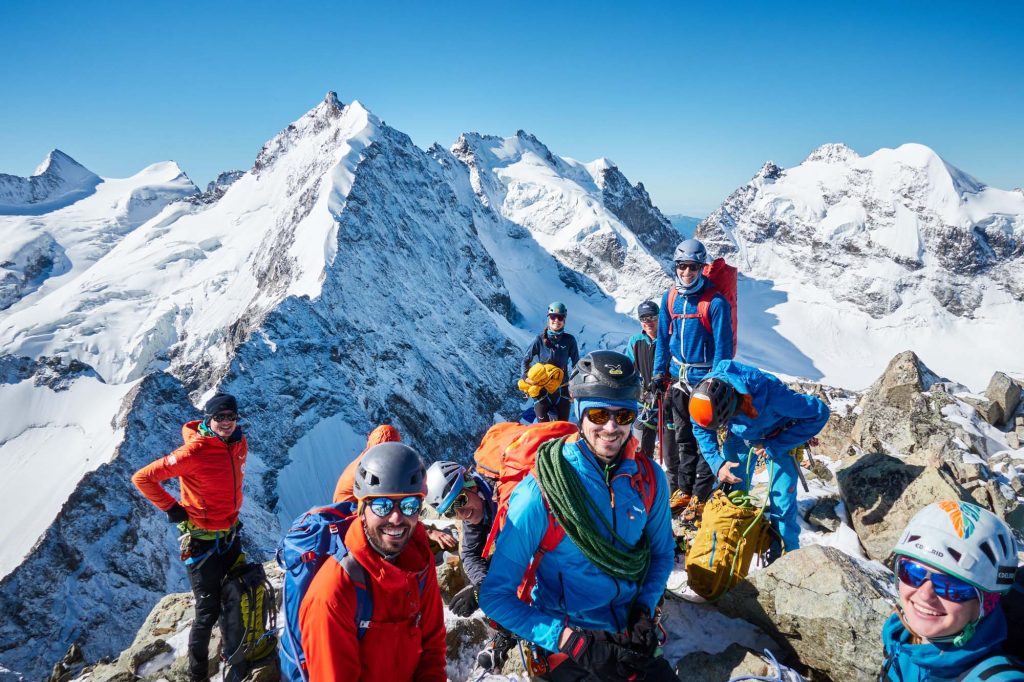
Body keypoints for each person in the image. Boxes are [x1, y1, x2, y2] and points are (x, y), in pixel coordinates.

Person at [480, 350, 679, 682]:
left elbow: (661, 553)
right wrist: (567, 640)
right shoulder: (540, 493)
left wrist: (644, 608)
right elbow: (495, 596)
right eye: (599, 414)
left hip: (629, 633)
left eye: (624, 416)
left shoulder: (649, 480)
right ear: (580, 413)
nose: (612, 428)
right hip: (567, 646)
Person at [299, 442, 446, 681]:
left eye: (409, 505)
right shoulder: (333, 594)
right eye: (382, 505)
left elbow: (432, 648)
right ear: (361, 508)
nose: (397, 518)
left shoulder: (419, 561)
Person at [131, 393, 247, 682]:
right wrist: (172, 508)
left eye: (230, 417)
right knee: (207, 611)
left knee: (237, 595)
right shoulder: (194, 452)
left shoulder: (239, 443)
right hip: (201, 541)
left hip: (230, 535)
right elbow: (143, 477)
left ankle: (234, 653)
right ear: (208, 419)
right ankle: (197, 676)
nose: (226, 422)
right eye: (219, 417)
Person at [689, 360, 829, 556]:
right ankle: (731, 549)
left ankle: (786, 557)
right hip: (739, 436)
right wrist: (717, 463)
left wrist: (776, 445)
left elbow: (820, 412)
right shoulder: (703, 396)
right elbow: (699, 428)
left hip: (778, 437)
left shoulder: (772, 395)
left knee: (782, 504)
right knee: (733, 495)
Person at [881, 500, 1022, 681]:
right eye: (912, 572)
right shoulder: (899, 636)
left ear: (986, 603)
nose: (925, 594)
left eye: (952, 586)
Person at [651, 239, 731, 521]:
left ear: (701, 268)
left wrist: (717, 382)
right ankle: (684, 490)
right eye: (682, 266)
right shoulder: (670, 298)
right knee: (683, 438)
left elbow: (723, 348)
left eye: (693, 267)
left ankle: (700, 495)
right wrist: (658, 374)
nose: (687, 272)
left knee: (704, 439)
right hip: (677, 380)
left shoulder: (716, 303)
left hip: (704, 380)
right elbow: (662, 338)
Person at [425, 461, 514, 671]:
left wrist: (482, 591)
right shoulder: (476, 506)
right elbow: (470, 554)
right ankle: (509, 629)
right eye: (451, 512)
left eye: (461, 500)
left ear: (471, 483)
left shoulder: (507, 495)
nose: (462, 514)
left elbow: (521, 553)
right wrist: (483, 586)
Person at [522, 301, 580, 422]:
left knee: (562, 430)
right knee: (544, 431)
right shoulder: (539, 339)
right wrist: (526, 378)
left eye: (560, 317)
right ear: (548, 319)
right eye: (553, 317)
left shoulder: (569, 340)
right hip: (542, 391)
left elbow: (577, 365)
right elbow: (525, 360)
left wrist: (575, 388)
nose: (556, 321)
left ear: (564, 320)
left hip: (563, 390)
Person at [624, 300, 660, 460]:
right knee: (640, 451)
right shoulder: (635, 341)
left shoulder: (668, 341)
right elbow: (628, 369)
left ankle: (671, 483)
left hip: (666, 402)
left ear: (659, 317)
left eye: (652, 317)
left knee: (672, 451)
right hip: (644, 403)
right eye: (644, 318)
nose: (648, 322)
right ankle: (644, 481)